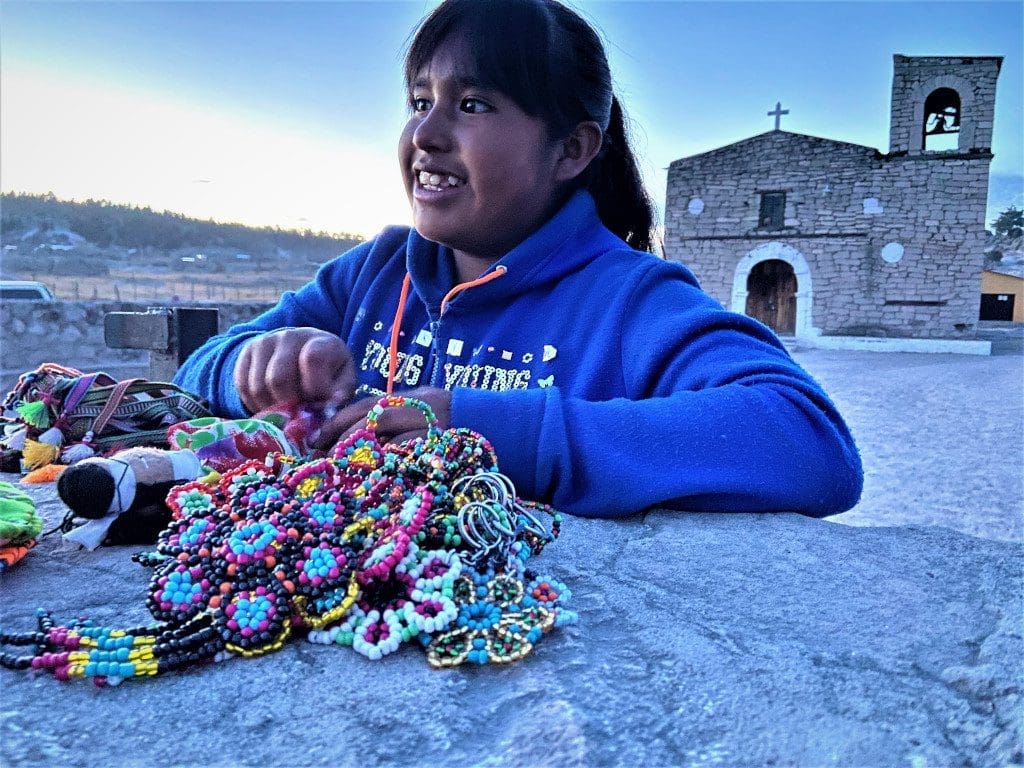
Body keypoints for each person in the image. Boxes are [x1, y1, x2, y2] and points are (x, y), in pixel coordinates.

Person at [174, 0, 863, 518]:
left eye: (471, 104)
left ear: (571, 150)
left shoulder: (631, 302)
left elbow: (808, 440)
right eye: (419, 101)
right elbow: (196, 371)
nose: (426, 133)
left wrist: (496, 430)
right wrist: (250, 365)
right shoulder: (372, 275)